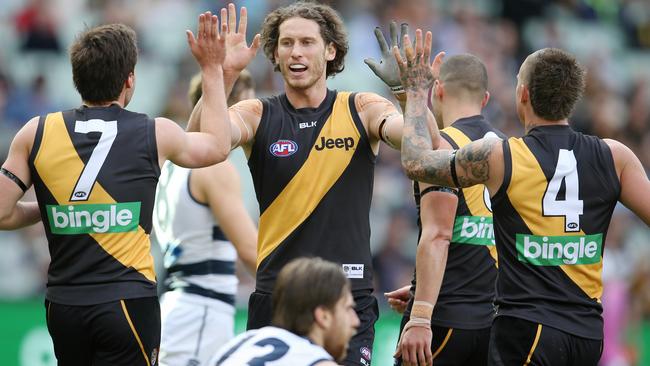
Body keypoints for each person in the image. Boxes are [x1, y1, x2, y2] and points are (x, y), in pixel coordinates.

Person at [187, 4, 435, 364]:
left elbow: (425, 146)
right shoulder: (257, 113)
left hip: (346, 296)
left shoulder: (361, 108)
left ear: (330, 50)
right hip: (278, 297)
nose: (296, 52)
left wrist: (407, 91)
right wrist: (221, 73)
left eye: (307, 42)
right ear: (274, 53)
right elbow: (198, 151)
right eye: (286, 43)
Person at [397, 31, 650, 366]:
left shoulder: (500, 156)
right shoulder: (615, 156)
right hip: (588, 335)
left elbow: (416, 163)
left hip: (527, 331)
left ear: (523, 95)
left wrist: (414, 93)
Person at [0, 13, 232, 365]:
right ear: (129, 80)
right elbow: (216, 146)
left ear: (77, 79)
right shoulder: (154, 131)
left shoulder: (36, 131)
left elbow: (2, 211)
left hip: (64, 305)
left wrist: (55, 210)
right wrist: (213, 69)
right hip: (126, 300)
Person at [382, 53, 504, 366]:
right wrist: (421, 285)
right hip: (497, 323)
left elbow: (439, 235)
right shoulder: (509, 151)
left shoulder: (440, 147)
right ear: (485, 98)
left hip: (444, 320)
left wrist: (421, 312)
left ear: (438, 90)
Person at [154, 70, 258, 366]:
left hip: (181, 302)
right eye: (248, 109)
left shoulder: (174, 164)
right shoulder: (214, 168)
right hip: (201, 310)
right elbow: (251, 252)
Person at [211, 257, 360, 365]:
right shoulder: (315, 361)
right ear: (323, 316)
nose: (356, 321)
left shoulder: (239, 344)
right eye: (348, 309)